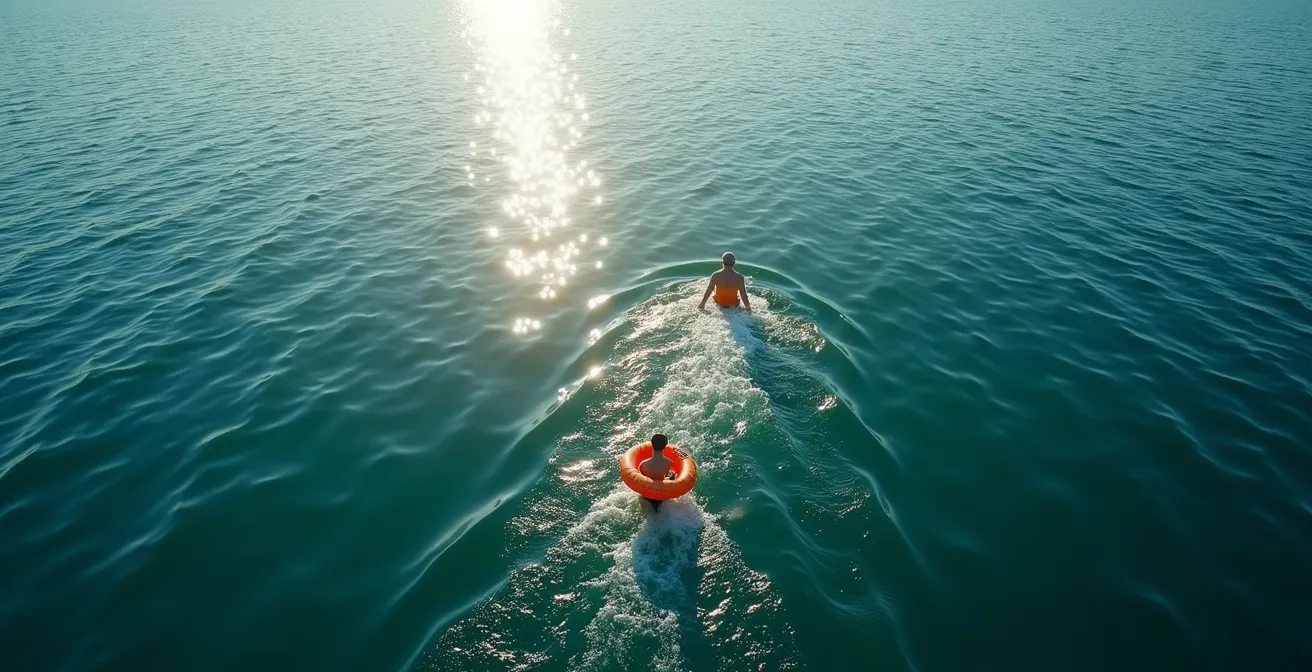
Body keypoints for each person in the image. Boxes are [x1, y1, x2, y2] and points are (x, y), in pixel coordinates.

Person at [639, 433, 676, 512]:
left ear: (651, 444)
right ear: (665, 446)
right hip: (661, 493)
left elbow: (640, 477)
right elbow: (666, 474)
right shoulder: (669, 463)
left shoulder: (643, 464)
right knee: (672, 474)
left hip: (647, 494)